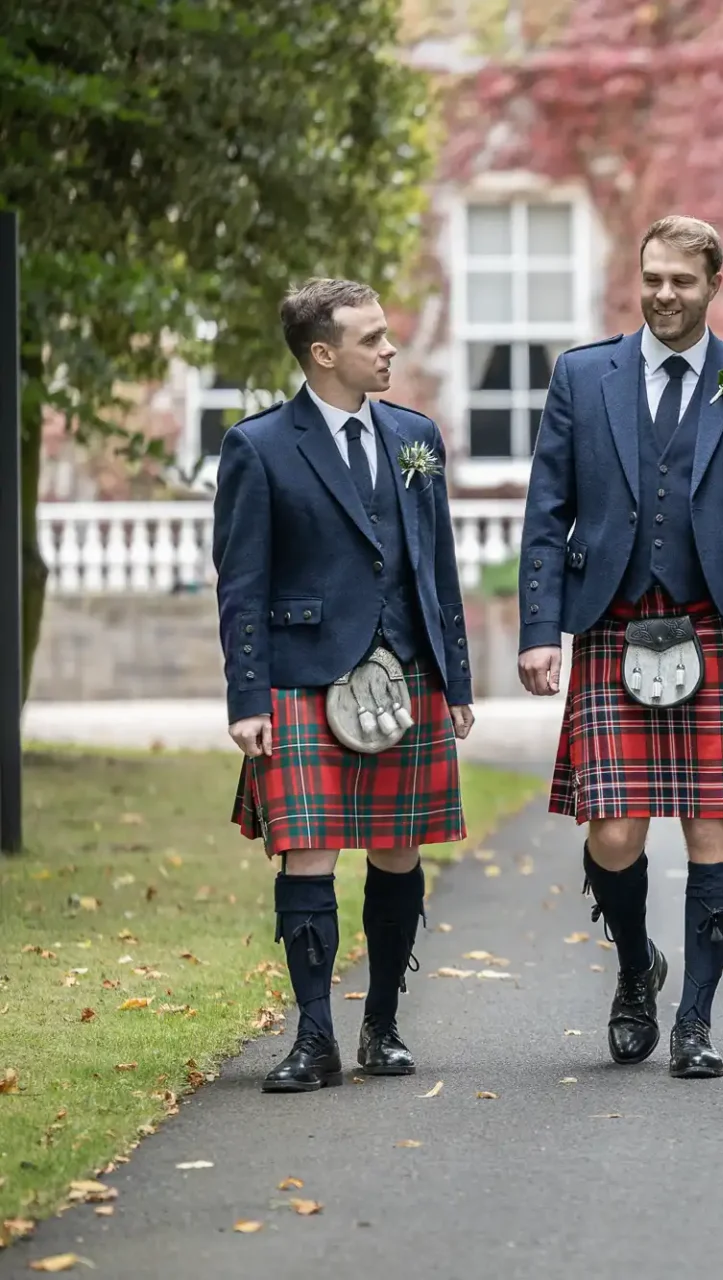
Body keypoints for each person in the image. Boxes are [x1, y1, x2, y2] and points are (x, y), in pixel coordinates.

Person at [518, 215, 723, 1080]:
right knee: (612, 834)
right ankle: (637, 967)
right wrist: (541, 630)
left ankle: (695, 1020)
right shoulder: (583, 375)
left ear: (713, 283)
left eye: (682, 280)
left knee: (715, 826)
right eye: (652, 278)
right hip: (611, 623)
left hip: (714, 627)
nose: (664, 294)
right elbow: (545, 513)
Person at [214, 277, 476, 1093]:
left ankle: (385, 1025)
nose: (389, 348)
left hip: (407, 673)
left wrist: (456, 678)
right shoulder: (259, 447)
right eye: (371, 339)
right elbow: (241, 583)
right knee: (308, 857)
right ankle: (314, 1038)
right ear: (323, 354)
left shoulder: (413, 436)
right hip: (302, 675)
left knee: (399, 853)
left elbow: (437, 570)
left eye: (387, 334)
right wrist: (247, 699)